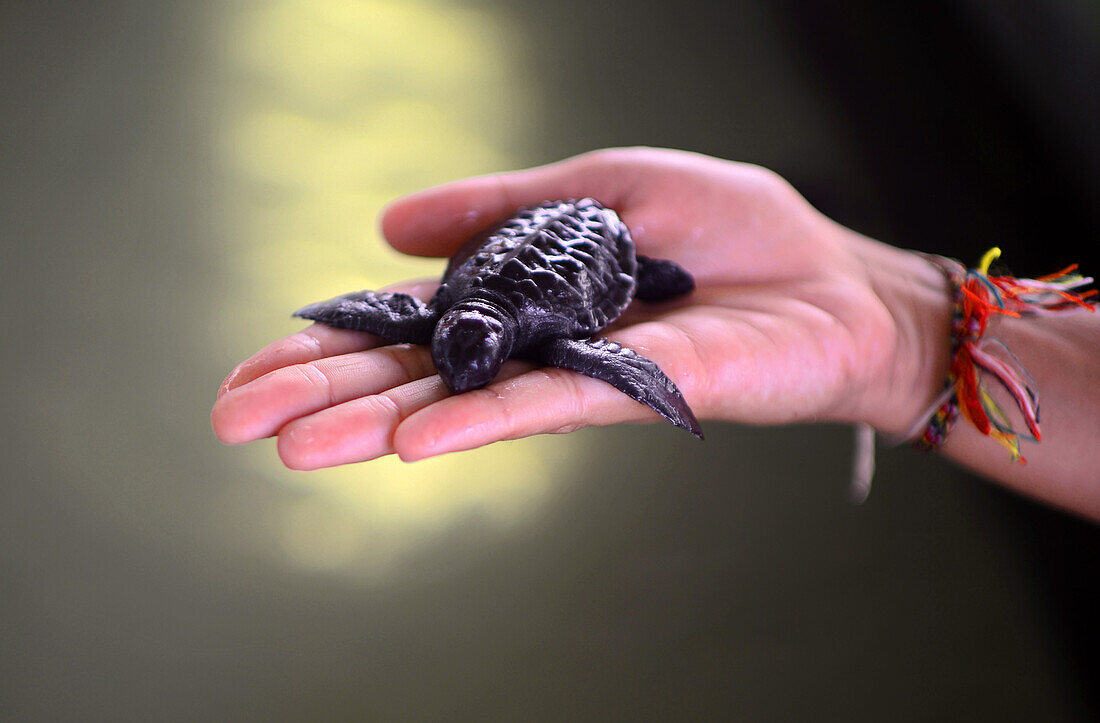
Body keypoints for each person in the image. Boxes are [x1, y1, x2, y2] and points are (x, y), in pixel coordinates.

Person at [211, 147, 1100, 521]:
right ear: (445, 328)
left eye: (461, 353)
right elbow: (390, 309)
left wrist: (909, 329)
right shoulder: (457, 312)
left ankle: (653, 272)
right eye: (458, 352)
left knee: (649, 296)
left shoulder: (550, 331)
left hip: (588, 248)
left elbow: (619, 359)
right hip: (527, 261)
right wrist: (904, 323)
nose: (459, 363)